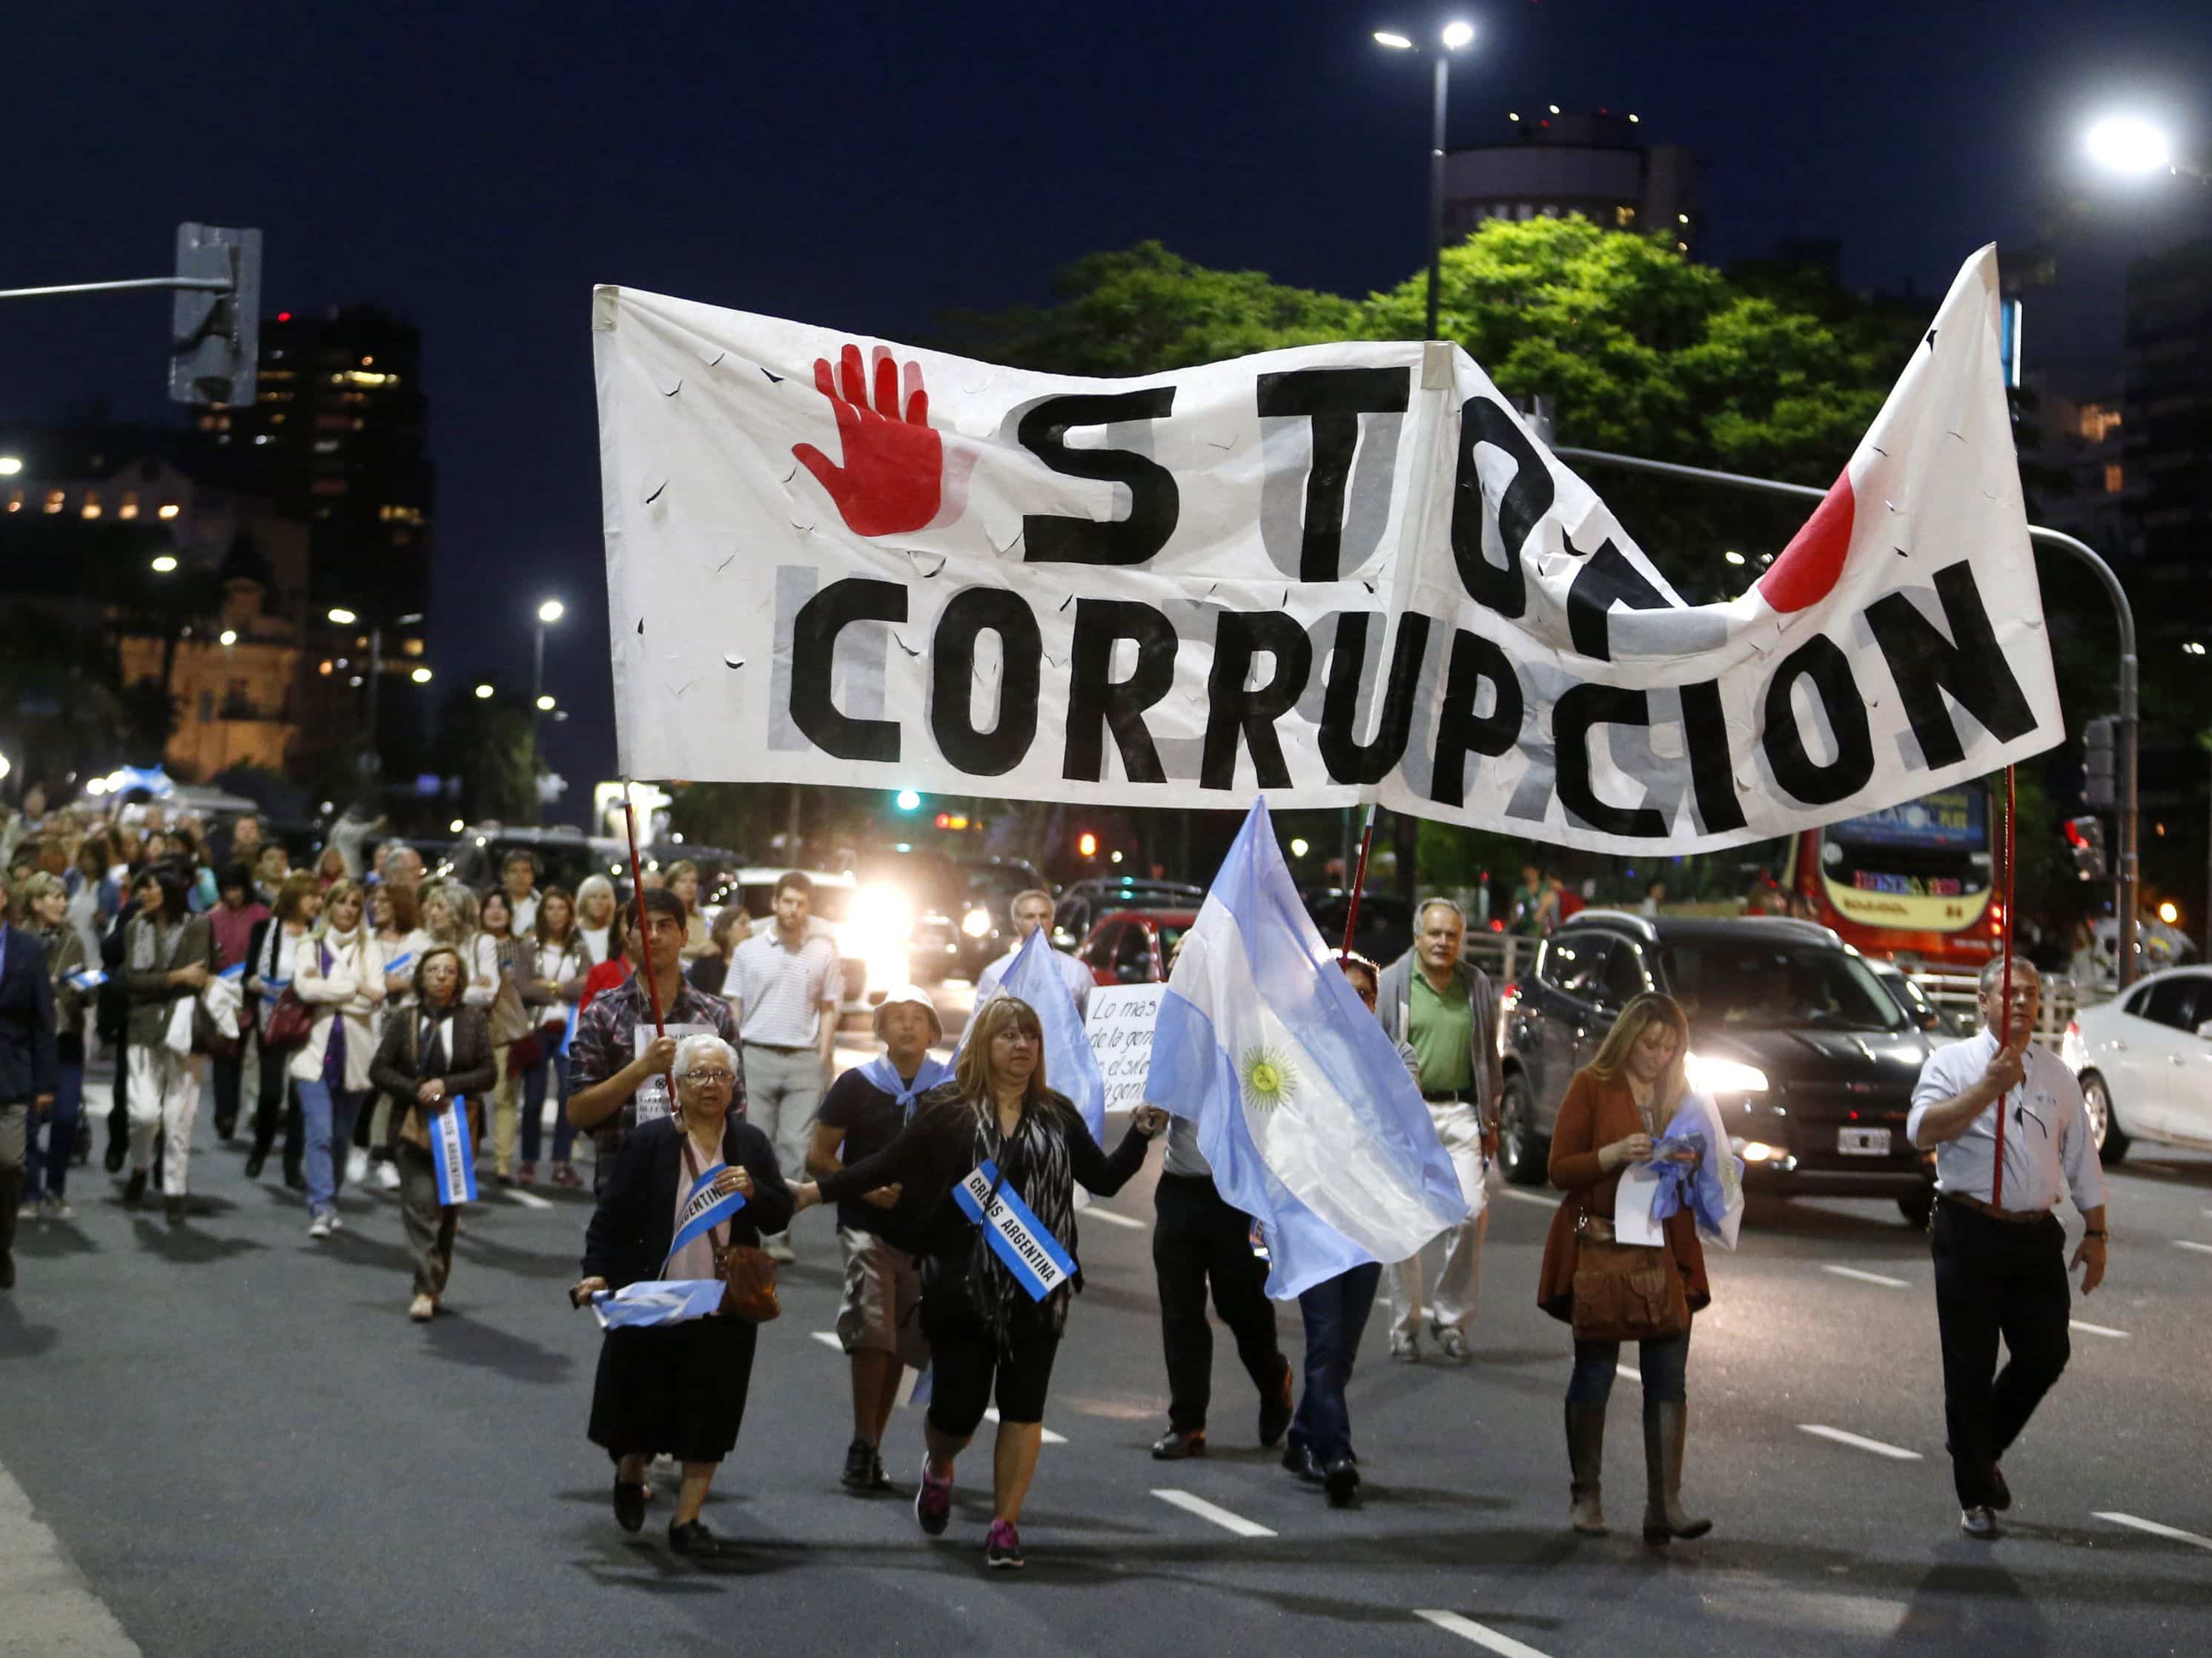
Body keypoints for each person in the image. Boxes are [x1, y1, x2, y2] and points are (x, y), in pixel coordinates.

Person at [791, 996, 1169, 1571]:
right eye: (1008, 1036)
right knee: (958, 1412)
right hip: (962, 1285)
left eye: (1030, 1037)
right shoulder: (950, 1109)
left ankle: (1004, 1525)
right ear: (984, 1045)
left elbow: (1106, 1179)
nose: (1021, 1046)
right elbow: (885, 1164)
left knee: (1023, 1407)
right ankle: (939, 1465)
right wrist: (817, 1191)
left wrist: (1140, 1135)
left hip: (1038, 1287)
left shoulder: (1057, 1113)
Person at [1908, 957, 2108, 1540]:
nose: (2022, 1002)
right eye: (2010, 993)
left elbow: (2083, 1162)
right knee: (1969, 1365)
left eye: (2032, 993)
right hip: (1970, 1229)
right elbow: (1922, 1130)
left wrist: (2096, 1232)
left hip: (2034, 1233)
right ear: (1984, 1000)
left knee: (2046, 1351)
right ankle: (1974, 1490)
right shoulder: (1951, 1064)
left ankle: (1978, 1444)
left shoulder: (2056, 1075)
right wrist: (1986, 1089)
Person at [573, 1032, 790, 1558]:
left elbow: (778, 1212)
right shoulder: (651, 1142)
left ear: (734, 1085)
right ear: (678, 1084)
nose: (710, 1085)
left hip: (723, 1303)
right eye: (698, 1074)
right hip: (656, 1298)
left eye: (721, 1075)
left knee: (711, 1411)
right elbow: (612, 1216)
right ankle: (630, 1470)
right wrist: (597, 1273)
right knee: (642, 1404)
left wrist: (754, 1191)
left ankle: (686, 1518)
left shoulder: (750, 1144)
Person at [1538, 992, 1712, 1546]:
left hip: (1666, 1249)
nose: (1659, 1055)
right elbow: (1559, 1169)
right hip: (1605, 1247)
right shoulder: (1593, 1084)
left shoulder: (1682, 1092)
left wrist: (1694, 1160)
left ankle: (1666, 1505)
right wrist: (1612, 1154)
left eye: (1670, 1046)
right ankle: (1585, 1494)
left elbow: (1710, 1166)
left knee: (1669, 1376)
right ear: (1627, 1036)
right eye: (1650, 1043)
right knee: (1594, 1371)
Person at [1145, 929, 1292, 1461]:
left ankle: (1273, 1379)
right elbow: (1138, 1092)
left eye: (1197, 960)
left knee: (1241, 1303)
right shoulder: (1159, 1023)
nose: (1186, 968)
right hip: (1179, 1187)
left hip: (1235, 1194)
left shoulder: (1247, 1028)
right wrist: (1146, 1115)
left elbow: (1276, 1098)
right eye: (1179, 959)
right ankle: (1188, 1423)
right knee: (1181, 1309)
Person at [1281, 953, 1420, 1508]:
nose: (1356, 1001)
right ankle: (1336, 1453)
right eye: (1342, 992)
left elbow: (1403, 1115)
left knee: (1344, 1348)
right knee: (1324, 1339)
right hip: (1316, 1218)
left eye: (1365, 993)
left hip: (1366, 1220)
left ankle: (1300, 1437)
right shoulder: (1297, 1054)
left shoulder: (1393, 1055)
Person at [807, 986, 952, 1493]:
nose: (908, 1026)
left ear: (934, 1030)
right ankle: (861, 1441)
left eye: (919, 1018)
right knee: (874, 1329)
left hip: (925, 1233)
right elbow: (818, 1157)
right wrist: (865, 1187)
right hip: (865, 1226)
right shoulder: (856, 1084)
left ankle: (874, 1441)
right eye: (897, 1018)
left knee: (900, 1343)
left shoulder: (950, 1087)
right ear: (880, 1030)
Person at [1374, 898, 1500, 1363]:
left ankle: (1449, 1319)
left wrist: (1491, 1121)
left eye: (1452, 934)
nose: (1444, 942)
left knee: (1470, 1212)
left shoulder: (1476, 985)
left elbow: (1488, 1058)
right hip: (1407, 1118)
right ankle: (1404, 1327)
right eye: (1435, 933)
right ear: (1417, 936)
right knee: (1403, 1223)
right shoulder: (1392, 983)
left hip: (1461, 1112)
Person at [568, 892, 739, 1196]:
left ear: (685, 936)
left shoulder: (715, 1016)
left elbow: (736, 1112)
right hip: (623, 1185)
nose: (654, 936)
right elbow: (578, 1112)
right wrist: (643, 1068)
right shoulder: (603, 1012)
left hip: (699, 1189)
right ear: (629, 937)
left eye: (666, 926)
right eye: (643, 927)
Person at [368, 946, 494, 1321]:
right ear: (421, 976)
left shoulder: (472, 1020)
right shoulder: (404, 1020)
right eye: (434, 970)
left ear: (459, 979)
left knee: (447, 1211)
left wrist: (447, 1084)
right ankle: (425, 1286)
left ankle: (435, 1283)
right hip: (412, 1125)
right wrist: (417, 1090)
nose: (441, 976)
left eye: (450, 971)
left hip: (457, 1126)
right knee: (419, 1205)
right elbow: (379, 1070)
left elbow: (488, 1074)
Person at [727, 870, 843, 1262]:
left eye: (801, 903)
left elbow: (829, 1009)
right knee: (754, 1144)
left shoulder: (823, 952)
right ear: (775, 903)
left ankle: (778, 1233)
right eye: (787, 901)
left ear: (809, 908)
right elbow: (734, 1006)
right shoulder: (749, 951)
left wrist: (823, 1059)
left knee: (794, 1149)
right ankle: (745, 1229)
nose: (793, 910)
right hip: (756, 1054)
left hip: (803, 1060)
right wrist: (733, 1055)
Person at [290, 878, 387, 1238]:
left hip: (357, 1057)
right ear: (328, 905)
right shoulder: (310, 945)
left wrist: (333, 989)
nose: (348, 909)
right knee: (320, 1133)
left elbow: (374, 997)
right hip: (313, 1055)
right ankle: (321, 1204)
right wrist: (355, 987)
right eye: (342, 902)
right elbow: (305, 989)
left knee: (342, 1135)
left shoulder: (370, 947)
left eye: (354, 903)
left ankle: (329, 1196)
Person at [120, 865, 217, 1222]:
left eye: (150, 888)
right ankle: (140, 1167)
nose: (143, 894)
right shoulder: (135, 927)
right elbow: (132, 979)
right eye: (141, 888)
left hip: (185, 1030)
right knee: (144, 1113)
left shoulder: (198, 925)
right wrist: (175, 977)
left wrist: (169, 981)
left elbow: (202, 975)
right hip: (143, 1029)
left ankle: (175, 1190)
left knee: (180, 1117)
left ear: (170, 891)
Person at [466, 888, 549, 1185]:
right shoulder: (469, 944)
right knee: (471, 1097)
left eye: (503, 907)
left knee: (505, 1098)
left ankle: (502, 1163)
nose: (496, 912)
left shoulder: (523, 948)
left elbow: (533, 987)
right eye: (491, 906)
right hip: (472, 1028)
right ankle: (468, 1157)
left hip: (508, 1029)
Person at [0, 869, 59, 1286]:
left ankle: (1, 1246)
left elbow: (43, 1020)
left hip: (13, 1075)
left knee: (7, 1166)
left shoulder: (27, 949)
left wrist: (46, 1084)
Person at [244, 873, 322, 1184]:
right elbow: (248, 972)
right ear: (295, 898)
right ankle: (260, 1149)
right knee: (271, 1093)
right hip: (270, 1019)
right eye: (311, 896)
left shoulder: (319, 934)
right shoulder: (265, 929)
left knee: (300, 1094)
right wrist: (256, 984)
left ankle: (293, 1165)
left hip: (307, 1019)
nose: (317, 902)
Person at [19, 874, 87, 1223]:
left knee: (64, 1118)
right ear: (35, 902)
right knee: (28, 1121)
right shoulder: (18, 941)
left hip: (67, 1040)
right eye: (54, 897)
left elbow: (84, 989)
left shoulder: (73, 941)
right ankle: (29, 1192)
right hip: (28, 1044)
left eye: (63, 897)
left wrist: (78, 986)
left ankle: (55, 1190)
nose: (62, 903)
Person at [356, 882, 425, 1191]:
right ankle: (359, 1146)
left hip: (404, 1025)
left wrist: (393, 982)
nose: (377, 905)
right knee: (365, 1089)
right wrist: (386, 981)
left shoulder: (418, 941)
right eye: (374, 900)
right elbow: (360, 978)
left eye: (384, 900)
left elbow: (419, 979)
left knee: (393, 1093)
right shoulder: (364, 940)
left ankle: (384, 1157)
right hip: (367, 1023)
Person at [523, 886, 590, 1187]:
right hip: (536, 1028)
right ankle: (528, 1161)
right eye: (550, 908)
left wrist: (548, 987)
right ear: (542, 912)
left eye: (561, 908)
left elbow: (586, 984)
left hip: (569, 1031)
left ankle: (562, 1163)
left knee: (568, 1097)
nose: (556, 914)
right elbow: (523, 987)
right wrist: (563, 986)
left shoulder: (579, 945)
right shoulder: (528, 943)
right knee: (534, 1098)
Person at [206, 862, 269, 1141]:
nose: (233, 895)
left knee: (243, 1053)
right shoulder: (212, 918)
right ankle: (225, 1114)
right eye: (227, 890)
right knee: (223, 1054)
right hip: (220, 993)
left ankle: (241, 1110)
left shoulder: (261, 916)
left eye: (237, 889)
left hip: (251, 994)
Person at [972, 888, 1093, 1016]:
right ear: (1016, 924)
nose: (1038, 923)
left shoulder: (1078, 972)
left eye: (1044, 916)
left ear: (1052, 922)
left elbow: (1094, 1023)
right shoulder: (995, 974)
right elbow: (980, 1030)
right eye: (1030, 917)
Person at [686, 905, 749, 997]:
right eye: (743, 923)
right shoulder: (709, 961)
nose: (749, 928)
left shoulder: (750, 961)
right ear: (726, 929)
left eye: (749, 923)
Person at [664, 860, 712, 963]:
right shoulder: (662, 917)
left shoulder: (703, 917)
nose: (689, 886)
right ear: (670, 886)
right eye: (683, 881)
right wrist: (698, 950)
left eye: (693, 881)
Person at [575, 875, 618, 966]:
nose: (599, 902)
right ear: (583, 900)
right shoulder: (572, 935)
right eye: (593, 897)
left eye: (604, 897)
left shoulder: (617, 934)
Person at [500, 850, 540, 937]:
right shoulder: (491, 904)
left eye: (525, 871)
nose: (520, 876)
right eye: (514, 871)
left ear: (533, 876)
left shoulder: (543, 905)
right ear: (504, 876)